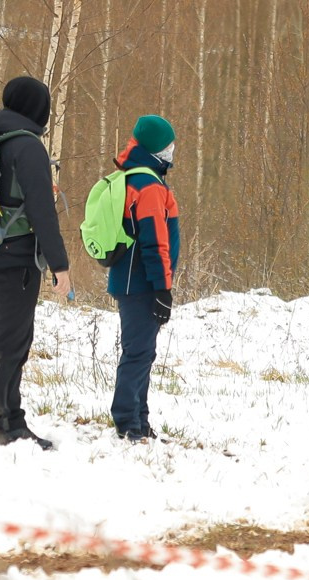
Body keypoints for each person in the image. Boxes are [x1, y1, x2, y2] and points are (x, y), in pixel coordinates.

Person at [0, 75, 70, 448]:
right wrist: (60, 265)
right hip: (16, 254)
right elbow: (42, 210)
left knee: (14, 337)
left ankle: (10, 420)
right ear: (38, 109)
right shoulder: (27, 146)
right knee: (7, 339)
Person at [105, 114, 181, 443]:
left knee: (143, 352)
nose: (172, 151)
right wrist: (162, 288)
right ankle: (126, 421)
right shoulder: (148, 186)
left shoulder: (136, 177)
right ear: (154, 148)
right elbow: (154, 242)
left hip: (132, 281)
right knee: (137, 352)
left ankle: (139, 418)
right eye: (167, 146)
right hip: (141, 283)